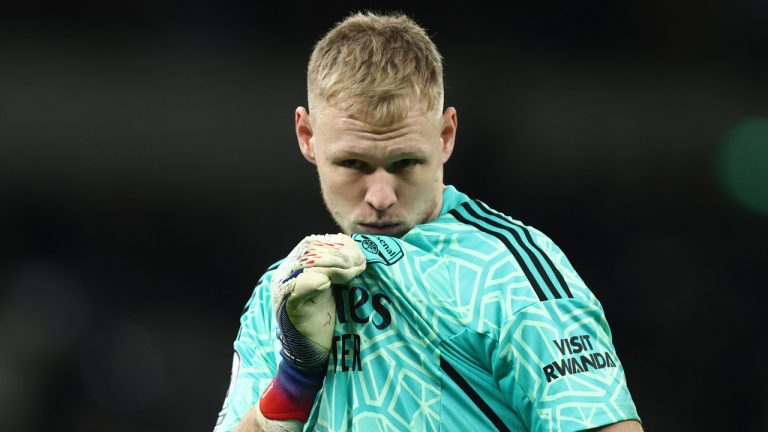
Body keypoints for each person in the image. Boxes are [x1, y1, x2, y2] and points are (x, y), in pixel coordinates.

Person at [213, 11, 642, 432]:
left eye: (405, 163)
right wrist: (295, 381)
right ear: (307, 136)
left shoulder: (507, 274)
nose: (380, 197)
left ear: (445, 136)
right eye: (353, 163)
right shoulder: (285, 288)